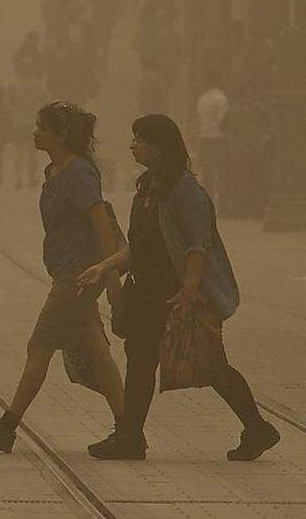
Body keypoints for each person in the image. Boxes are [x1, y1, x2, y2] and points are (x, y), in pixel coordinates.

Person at [79, 115, 280, 461]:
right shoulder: (147, 187)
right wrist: (105, 266)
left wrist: (189, 289)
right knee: (140, 359)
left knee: (210, 364)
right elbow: (139, 245)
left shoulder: (186, 190)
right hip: (145, 290)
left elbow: (197, 245)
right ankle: (130, 437)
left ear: (159, 147)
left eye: (139, 139)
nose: (133, 145)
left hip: (174, 293)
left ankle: (257, 427)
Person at [0, 102, 124, 452]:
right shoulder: (55, 170)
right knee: (97, 351)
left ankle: (6, 427)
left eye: (42, 128)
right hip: (69, 273)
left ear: (61, 135)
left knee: (39, 347)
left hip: (77, 278)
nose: (35, 133)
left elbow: (102, 227)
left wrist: (111, 280)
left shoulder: (79, 174)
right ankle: (129, 429)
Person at [196, 71, 229, 205]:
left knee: (207, 172)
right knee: (221, 171)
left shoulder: (202, 100)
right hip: (218, 138)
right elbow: (224, 120)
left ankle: (207, 201)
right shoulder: (221, 99)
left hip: (204, 138)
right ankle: (221, 202)